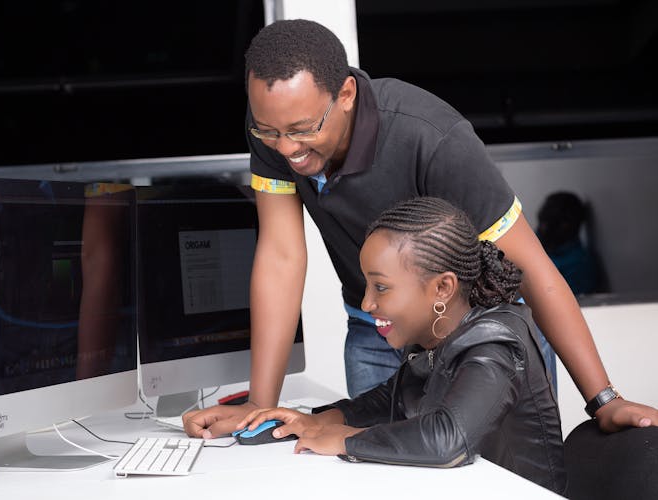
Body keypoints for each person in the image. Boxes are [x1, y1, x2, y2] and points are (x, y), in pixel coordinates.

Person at [183, 19, 657, 438]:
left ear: (345, 94)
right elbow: (282, 256)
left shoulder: (432, 138)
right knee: (384, 471)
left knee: (498, 479)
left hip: (474, 332)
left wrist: (604, 400)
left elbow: (533, 268)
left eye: (304, 129)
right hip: (377, 326)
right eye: (269, 131)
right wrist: (260, 405)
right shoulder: (276, 121)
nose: (286, 149)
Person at [237, 198, 566, 494]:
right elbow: (391, 397)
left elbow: (448, 439)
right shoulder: (435, 334)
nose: (366, 303)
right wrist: (322, 419)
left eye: (381, 287)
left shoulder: (496, 344)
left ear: (442, 287)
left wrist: (345, 440)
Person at [536, 191, 600, 296]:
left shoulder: (579, 264)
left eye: (548, 224)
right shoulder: (540, 241)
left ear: (566, 225)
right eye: (541, 222)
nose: (541, 229)